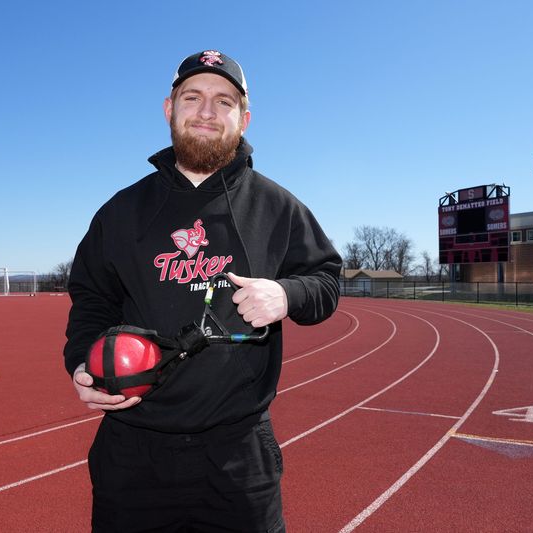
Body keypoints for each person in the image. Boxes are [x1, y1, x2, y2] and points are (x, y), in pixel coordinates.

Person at [64, 49, 341, 532]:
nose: (207, 112)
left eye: (224, 101)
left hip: (238, 455)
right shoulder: (121, 211)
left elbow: (326, 281)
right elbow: (91, 300)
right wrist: (82, 364)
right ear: (169, 108)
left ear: (244, 118)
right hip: (133, 451)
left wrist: (286, 294)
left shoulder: (277, 206)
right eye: (192, 97)